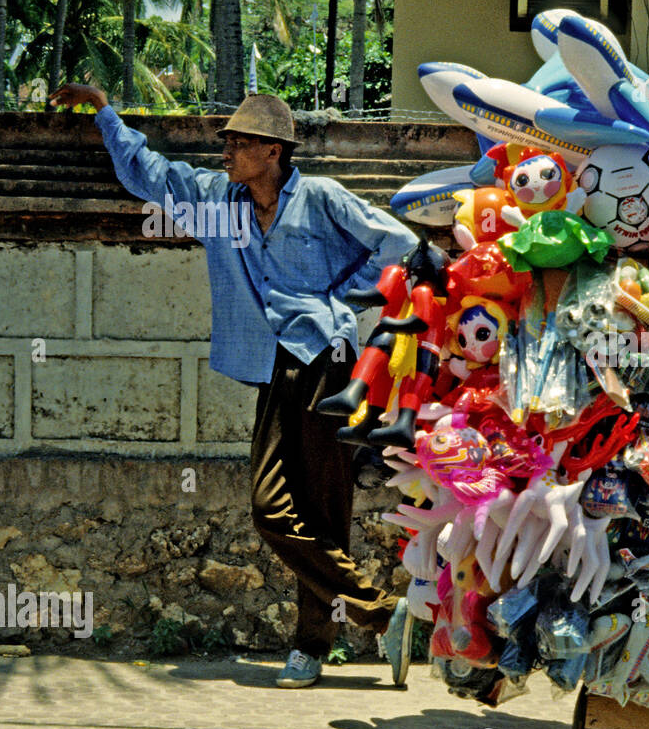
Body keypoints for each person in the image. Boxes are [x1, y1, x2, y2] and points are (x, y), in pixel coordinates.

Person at [49, 83, 420, 689]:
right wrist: (103, 111)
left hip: (328, 356)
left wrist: (343, 297)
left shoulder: (321, 198)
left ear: (273, 151)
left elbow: (399, 245)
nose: (227, 149)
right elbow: (152, 174)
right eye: (227, 140)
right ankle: (379, 610)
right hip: (279, 364)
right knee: (273, 505)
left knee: (322, 506)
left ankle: (311, 647)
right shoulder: (218, 203)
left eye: (241, 141)